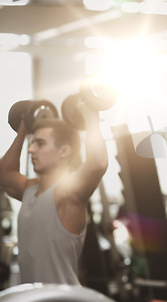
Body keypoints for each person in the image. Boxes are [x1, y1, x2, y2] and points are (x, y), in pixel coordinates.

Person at [0, 101, 108, 285]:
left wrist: (89, 113)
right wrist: (23, 130)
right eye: (32, 142)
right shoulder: (29, 189)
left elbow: (97, 163)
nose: (30, 149)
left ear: (64, 151)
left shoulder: (66, 193)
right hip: (36, 298)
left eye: (39, 144)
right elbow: (4, 174)